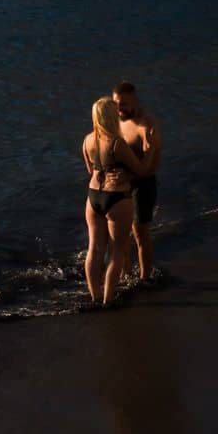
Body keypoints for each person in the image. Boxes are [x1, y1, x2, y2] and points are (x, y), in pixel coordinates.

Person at [82, 95, 149, 306]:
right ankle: (108, 299)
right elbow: (140, 170)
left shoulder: (87, 140)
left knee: (94, 248)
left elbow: (90, 170)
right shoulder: (117, 143)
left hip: (93, 197)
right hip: (117, 197)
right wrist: (149, 150)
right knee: (117, 250)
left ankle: (95, 296)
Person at [115, 81, 163, 283]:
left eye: (123, 104)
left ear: (135, 100)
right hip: (121, 186)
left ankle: (145, 278)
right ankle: (124, 275)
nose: (119, 108)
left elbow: (150, 167)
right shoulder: (118, 121)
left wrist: (129, 177)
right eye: (116, 103)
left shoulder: (147, 125)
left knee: (140, 234)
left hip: (142, 186)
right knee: (121, 234)